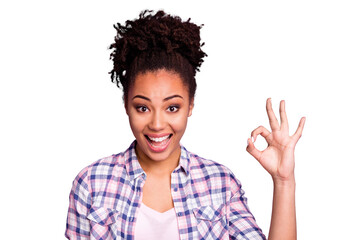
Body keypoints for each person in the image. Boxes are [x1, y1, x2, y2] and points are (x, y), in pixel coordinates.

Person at [65, 10, 305, 240]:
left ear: (190, 105)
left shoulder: (219, 183)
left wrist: (284, 181)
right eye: (142, 108)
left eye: (172, 108)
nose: (157, 124)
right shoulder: (91, 183)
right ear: (126, 105)